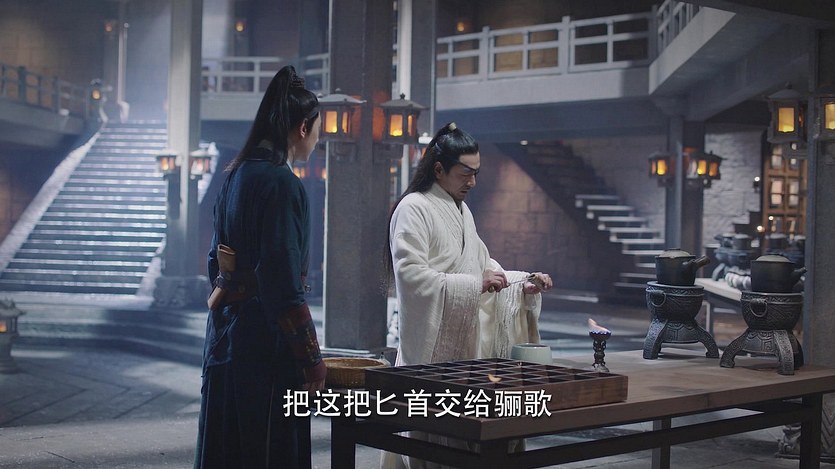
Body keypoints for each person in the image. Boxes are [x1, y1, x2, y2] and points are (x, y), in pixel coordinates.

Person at [382, 122, 553, 469]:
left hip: (468, 352)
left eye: (476, 173)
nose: (472, 182)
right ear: (439, 169)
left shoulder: (463, 212)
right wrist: (474, 284)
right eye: (465, 174)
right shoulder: (414, 208)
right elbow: (411, 277)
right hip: (431, 353)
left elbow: (482, 264)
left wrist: (521, 284)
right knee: (431, 445)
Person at [194, 65, 325, 469]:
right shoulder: (282, 184)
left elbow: (215, 261)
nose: (317, 139)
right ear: (303, 128)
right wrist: (312, 360)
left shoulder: (235, 175)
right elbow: (283, 285)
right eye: (317, 130)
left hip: (225, 335)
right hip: (265, 347)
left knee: (226, 448)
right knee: (266, 449)